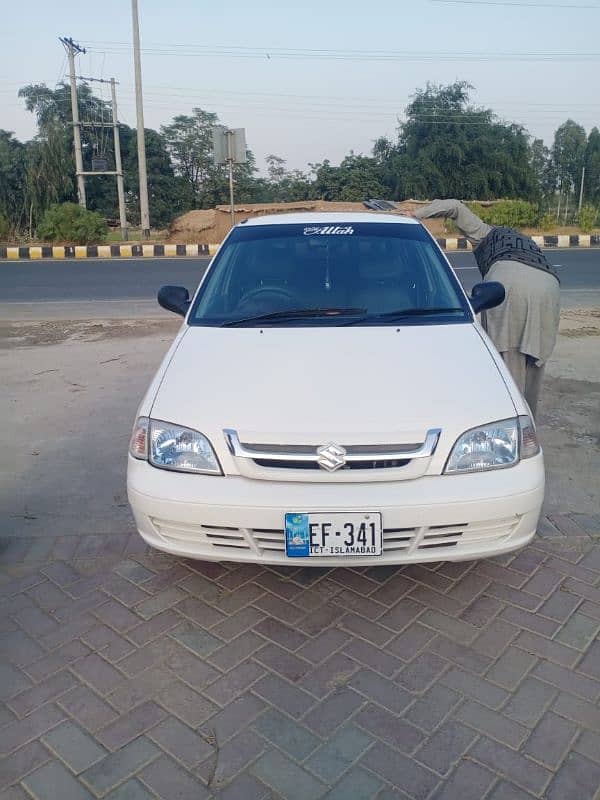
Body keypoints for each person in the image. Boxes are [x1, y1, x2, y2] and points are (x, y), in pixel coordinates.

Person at [409, 199, 560, 417]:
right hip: (550, 286)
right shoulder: (522, 239)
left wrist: (417, 213)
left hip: (509, 283)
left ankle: (510, 425)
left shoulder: (483, 232)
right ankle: (529, 429)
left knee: (506, 364)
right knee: (533, 365)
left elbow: (454, 206)